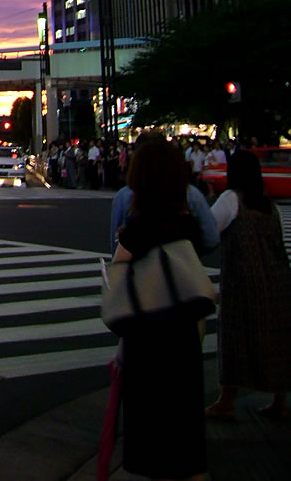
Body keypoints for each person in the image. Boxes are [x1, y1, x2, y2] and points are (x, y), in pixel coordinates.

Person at [113, 134, 207, 480]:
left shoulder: (137, 228)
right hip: (185, 334)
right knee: (187, 438)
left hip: (146, 338)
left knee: (150, 437)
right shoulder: (188, 224)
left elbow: (118, 274)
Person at [204, 148, 291, 421]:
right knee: (275, 339)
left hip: (242, 279)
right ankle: (279, 400)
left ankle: (226, 401)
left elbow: (209, 230)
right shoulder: (269, 206)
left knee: (235, 339)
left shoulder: (231, 199)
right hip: (276, 278)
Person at [110, 138, 219, 255]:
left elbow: (116, 244)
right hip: (183, 260)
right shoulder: (190, 193)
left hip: (140, 264)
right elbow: (211, 238)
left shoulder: (125, 196)